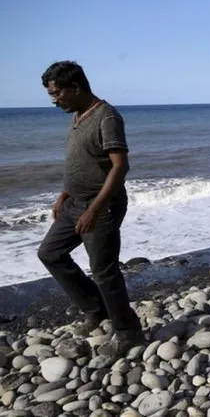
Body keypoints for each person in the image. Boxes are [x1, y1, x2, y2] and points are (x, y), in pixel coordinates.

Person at [36, 61, 144, 356]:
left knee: (104, 270)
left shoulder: (106, 117)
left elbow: (120, 166)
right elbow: (80, 162)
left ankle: (129, 331)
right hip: (74, 203)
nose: (53, 99)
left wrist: (95, 209)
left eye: (57, 93)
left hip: (101, 205)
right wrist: (63, 195)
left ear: (75, 88)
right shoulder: (78, 116)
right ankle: (96, 309)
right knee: (50, 254)